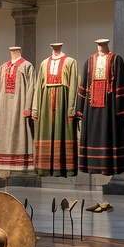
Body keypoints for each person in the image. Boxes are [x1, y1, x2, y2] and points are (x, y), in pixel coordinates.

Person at [74, 38, 124, 175]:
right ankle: (91, 165)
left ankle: (109, 165)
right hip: (91, 107)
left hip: (110, 107)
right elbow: (84, 84)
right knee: (91, 135)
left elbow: (120, 82)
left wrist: (121, 108)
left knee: (109, 134)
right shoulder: (89, 62)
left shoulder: (117, 60)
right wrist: (79, 109)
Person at [32, 42, 79, 177]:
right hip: (45, 103)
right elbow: (38, 87)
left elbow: (73, 86)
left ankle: (63, 168)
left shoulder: (71, 62)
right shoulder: (44, 63)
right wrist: (35, 108)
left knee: (63, 131)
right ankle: (45, 167)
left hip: (63, 102)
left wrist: (71, 109)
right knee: (45, 131)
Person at [0, 46, 37, 172]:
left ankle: (20, 160)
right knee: (3, 134)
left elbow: (31, 88)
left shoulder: (27, 66)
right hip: (4, 107)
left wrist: (28, 107)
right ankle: (3, 160)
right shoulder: (3, 67)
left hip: (20, 105)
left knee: (20, 134)